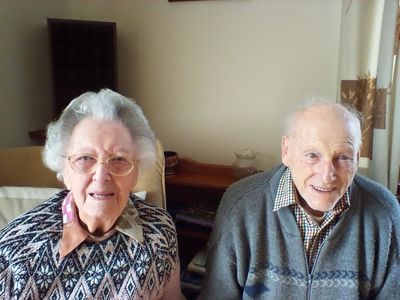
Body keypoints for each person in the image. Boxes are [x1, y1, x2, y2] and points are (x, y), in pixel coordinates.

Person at [200, 100, 400, 299]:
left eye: (343, 158)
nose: (327, 175)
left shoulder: (385, 212)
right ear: (286, 151)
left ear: (357, 157)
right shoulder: (240, 204)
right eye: (312, 155)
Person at [0, 89, 184, 299]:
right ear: (64, 170)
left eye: (119, 159)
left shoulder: (160, 230)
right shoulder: (15, 253)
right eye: (85, 158)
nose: (101, 175)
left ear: (137, 171)